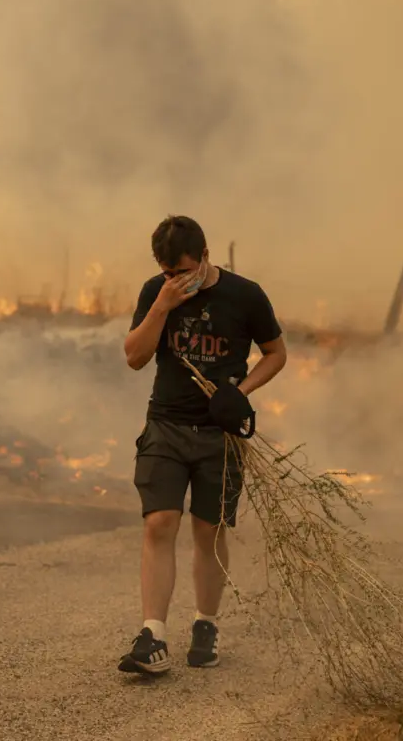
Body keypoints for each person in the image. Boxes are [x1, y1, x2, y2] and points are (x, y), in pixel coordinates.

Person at [118, 215, 287, 674]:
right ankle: (152, 635)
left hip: (220, 434)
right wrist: (162, 304)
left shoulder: (245, 294)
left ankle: (206, 625)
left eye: (185, 273)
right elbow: (134, 357)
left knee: (209, 532)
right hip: (166, 426)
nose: (177, 281)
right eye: (169, 273)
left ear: (207, 257)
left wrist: (241, 392)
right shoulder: (157, 291)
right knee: (159, 524)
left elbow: (277, 353)